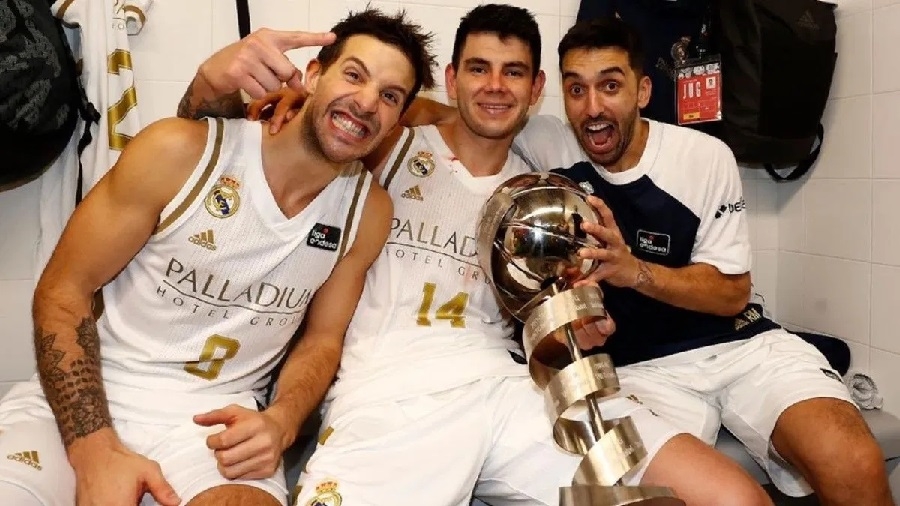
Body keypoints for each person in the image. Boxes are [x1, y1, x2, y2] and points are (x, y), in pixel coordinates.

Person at [190, 4, 775, 505]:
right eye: (478, 69)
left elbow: (541, 326)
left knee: (731, 496)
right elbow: (229, 165)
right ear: (451, 79)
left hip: (514, 395)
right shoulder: (383, 145)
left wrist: (575, 330)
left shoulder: (544, 190)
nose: (495, 86)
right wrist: (221, 87)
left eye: (512, 72)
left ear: (536, 89)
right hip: (389, 401)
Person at [0, 8, 436, 506]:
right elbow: (63, 290)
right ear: (314, 75)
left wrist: (282, 420)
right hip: (89, 399)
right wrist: (94, 451)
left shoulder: (368, 212)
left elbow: (321, 339)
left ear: (397, 121)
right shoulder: (178, 149)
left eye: (390, 96)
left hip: (214, 423)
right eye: (354, 75)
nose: (366, 102)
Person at [508, 17, 893, 506]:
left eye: (610, 85)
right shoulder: (549, 147)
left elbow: (732, 294)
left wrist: (635, 272)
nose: (593, 107)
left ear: (643, 91)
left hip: (740, 347)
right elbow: (464, 120)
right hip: (638, 370)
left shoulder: (704, 156)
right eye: (576, 89)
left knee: (853, 460)